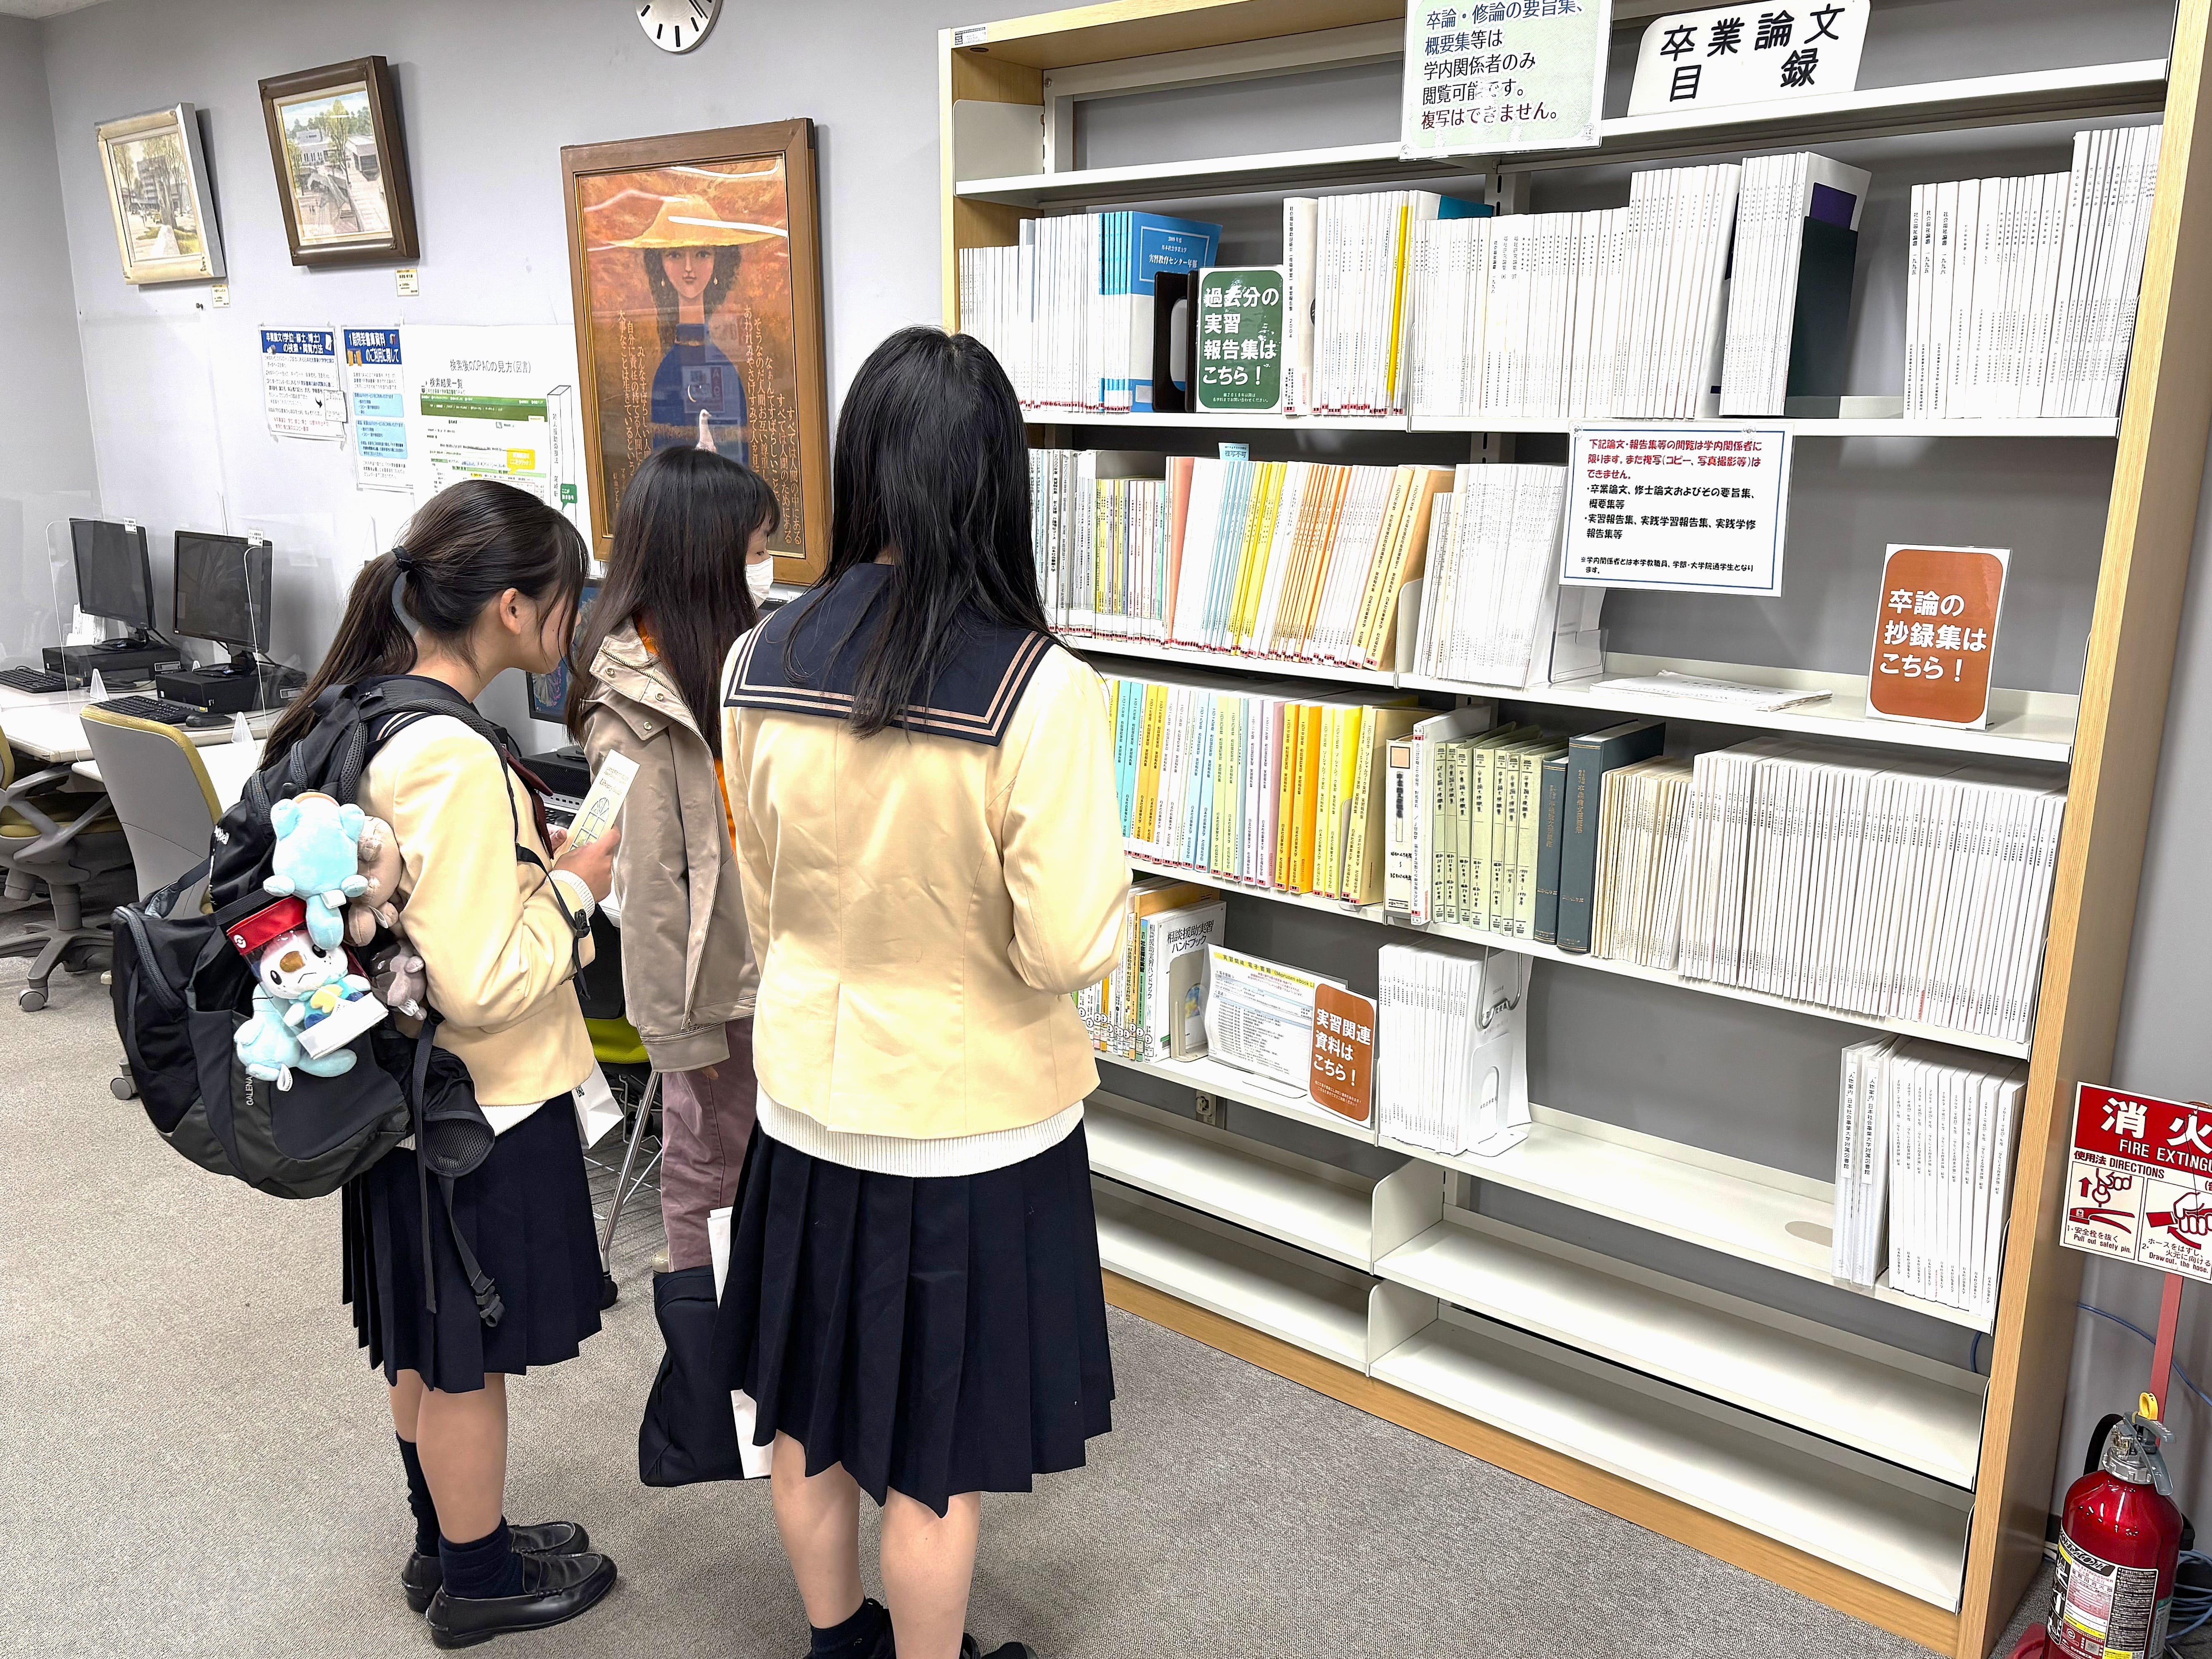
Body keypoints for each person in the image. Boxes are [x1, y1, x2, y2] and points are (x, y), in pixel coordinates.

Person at [713, 325, 1128, 1659]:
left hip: (806, 1100)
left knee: (806, 1407)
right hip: (971, 1114)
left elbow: (763, 891)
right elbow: (1065, 945)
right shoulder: (1035, 684)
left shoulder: (758, 660)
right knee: (933, 1451)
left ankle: (839, 1644)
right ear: (996, 478)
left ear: (860, 468)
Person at [265, 479, 623, 1649]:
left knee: (424, 1337)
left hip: (395, 1098)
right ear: (515, 608)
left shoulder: (370, 705)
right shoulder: (457, 757)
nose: (573, 621)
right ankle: (478, 1579)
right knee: (464, 1355)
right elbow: (479, 979)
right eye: (566, 599)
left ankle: (446, 1538)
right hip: (479, 1107)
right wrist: (577, 888)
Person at [566, 443, 780, 1273]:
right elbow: (643, 881)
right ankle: (709, 1347)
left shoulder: (718, 663)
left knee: (746, 1160)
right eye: (758, 550)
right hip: (710, 987)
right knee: (711, 1163)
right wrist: (679, 1031)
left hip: (761, 962)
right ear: (708, 558)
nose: (767, 570)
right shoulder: (632, 703)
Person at [605, 192, 776, 460]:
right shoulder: (667, 372)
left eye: (701, 254)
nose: (689, 268)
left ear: (718, 261)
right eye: (674, 255)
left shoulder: (724, 366)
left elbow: (737, 461)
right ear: (659, 264)